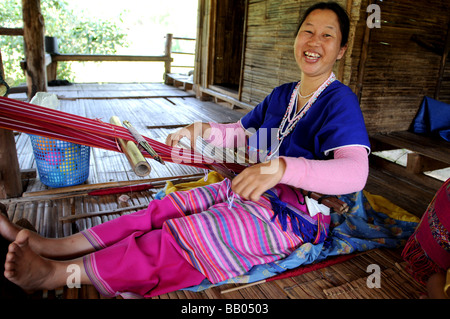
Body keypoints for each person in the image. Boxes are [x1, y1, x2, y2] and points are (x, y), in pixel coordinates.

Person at [1, 2, 371, 298]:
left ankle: (56, 275)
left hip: (295, 214)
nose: (314, 41)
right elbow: (242, 133)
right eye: (308, 31)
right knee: (160, 211)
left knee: (190, 235)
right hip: (252, 188)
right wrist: (204, 130)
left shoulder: (340, 101)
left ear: (340, 50)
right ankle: (52, 244)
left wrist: (282, 169)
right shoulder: (284, 94)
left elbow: (355, 172)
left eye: (327, 35)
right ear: (296, 39)